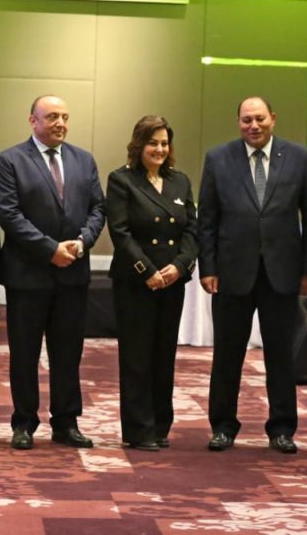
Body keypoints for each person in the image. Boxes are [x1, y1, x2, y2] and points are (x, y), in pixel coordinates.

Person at [197, 96, 307, 453]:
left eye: (260, 119)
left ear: (273, 119)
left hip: (282, 274)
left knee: (280, 356)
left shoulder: (299, 157)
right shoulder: (218, 158)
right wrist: (208, 267)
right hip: (231, 273)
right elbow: (207, 220)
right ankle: (223, 426)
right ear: (238, 122)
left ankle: (282, 429)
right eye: (247, 120)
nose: (254, 126)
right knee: (227, 355)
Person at [0, 95, 106, 450]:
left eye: (65, 117)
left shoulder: (83, 160)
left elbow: (98, 209)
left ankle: (66, 422)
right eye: (52, 116)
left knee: (68, 353)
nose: (60, 123)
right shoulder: (10, 160)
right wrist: (50, 250)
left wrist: (82, 243)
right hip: (28, 276)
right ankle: (24, 422)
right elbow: (9, 214)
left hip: (73, 273)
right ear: (33, 120)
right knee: (25, 354)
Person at [107, 116, 197, 451]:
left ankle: (160, 425)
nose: (159, 149)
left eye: (164, 143)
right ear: (138, 146)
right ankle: (138, 429)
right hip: (136, 282)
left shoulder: (180, 181)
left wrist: (180, 266)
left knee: (164, 354)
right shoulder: (122, 180)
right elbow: (120, 232)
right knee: (137, 356)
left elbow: (192, 230)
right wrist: (147, 271)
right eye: (152, 143)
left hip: (172, 281)